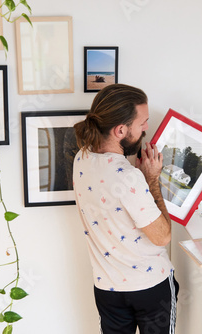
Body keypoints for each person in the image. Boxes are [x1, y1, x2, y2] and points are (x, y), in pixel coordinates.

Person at [72, 84, 178, 334]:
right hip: (150, 286)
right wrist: (151, 180)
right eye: (143, 123)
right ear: (120, 129)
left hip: (108, 289)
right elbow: (162, 236)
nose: (146, 129)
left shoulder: (81, 158)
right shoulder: (129, 177)